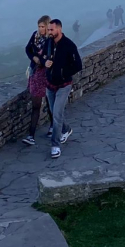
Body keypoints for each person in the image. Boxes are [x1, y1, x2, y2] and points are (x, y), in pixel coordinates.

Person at [44, 18, 83, 159]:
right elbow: (43, 57)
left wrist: (63, 73)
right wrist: (45, 62)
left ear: (59, 29)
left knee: (57, 114)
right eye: (48, 29)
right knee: (56, 114)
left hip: (64, 86)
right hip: (50, 85)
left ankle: (55, 145)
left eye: (51, 29)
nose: (49, 32)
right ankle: (66, 129)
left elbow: (78, 65)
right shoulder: (48, 43)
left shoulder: (69, 45)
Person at [21, 16, 51, 145]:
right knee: (36, 105)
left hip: (47, 74)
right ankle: (31, 135)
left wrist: (42, 61)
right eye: (39, 26)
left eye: (43, 26)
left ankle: (53, 127)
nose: (40, 29)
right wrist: (34, 58)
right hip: (35, 74)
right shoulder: (35, 36)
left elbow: (52, 56)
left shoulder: (51, 39)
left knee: (50, 102)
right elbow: (28, 49)